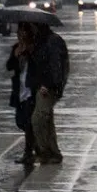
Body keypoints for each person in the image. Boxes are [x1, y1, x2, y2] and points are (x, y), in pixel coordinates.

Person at [29, 23, 67, 164]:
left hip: (47, 88)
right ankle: (53, 152)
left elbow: (55, 65)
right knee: (46, 120)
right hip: (41, 86)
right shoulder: (39, 41)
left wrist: (48, 84)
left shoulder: (52, 41)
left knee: (38, 119)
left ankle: (46, 151)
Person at [6, 23, 37, 165]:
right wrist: (15, 55)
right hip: (19, 89)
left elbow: (39, 66)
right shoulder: (16, 47)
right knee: (20, 121)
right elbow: (9, 66)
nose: (19, 34)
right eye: (18, 32)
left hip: (31, 90)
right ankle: (34, 143)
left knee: (28, 122)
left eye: (22, 32)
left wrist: (27, 53)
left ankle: (28, 152)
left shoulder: (34, 48)